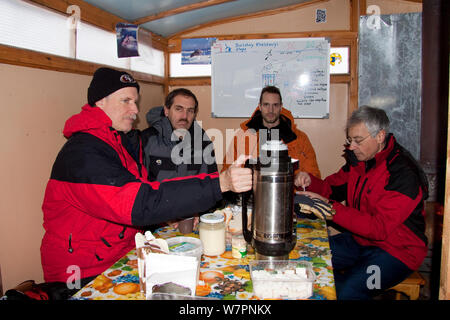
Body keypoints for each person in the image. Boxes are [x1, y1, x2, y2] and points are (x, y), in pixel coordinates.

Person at [40, 67, 252, 295]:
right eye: (126, 101)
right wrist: (220, 183)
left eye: (135, 102)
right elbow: (142, 202)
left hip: (126, 254)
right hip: (83, 272)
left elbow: (150, 191)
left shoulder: (122, 141)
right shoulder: (83, 153)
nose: (135, 110)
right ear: (100, 101)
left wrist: (166, 218)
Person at [294, 106, 428, 300]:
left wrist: (330, 208)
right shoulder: (360, 162)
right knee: (306, 258)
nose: (351, 147)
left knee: (348, 291)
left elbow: (378, 228)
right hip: (360, 240)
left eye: (358, 141)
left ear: (380, 136)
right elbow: (329, 189)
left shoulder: (403, 174)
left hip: (397, 252)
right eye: (350, 140)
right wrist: (309, 180)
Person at [141, 88, 218, 228]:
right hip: (155, 223)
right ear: (166, 110)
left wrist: (198, 213)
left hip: (192, 222)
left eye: (190, 111)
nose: (185, 116)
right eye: (179, 109)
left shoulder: (204, 142)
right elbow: (140, 190)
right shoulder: (147, 140)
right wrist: (164, 215)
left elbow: (212, 186)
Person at [221, 85, 321, 180]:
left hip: (288, 193)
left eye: (275, 105)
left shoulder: (299, 138)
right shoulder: (241, 137)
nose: (271, 110)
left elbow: (314, 176)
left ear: (281, 107)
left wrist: (305, 178)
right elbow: (227, 172)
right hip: (250, 194)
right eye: (266, 105)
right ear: (259, 106)